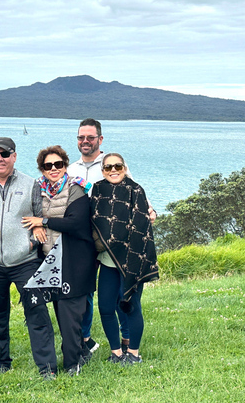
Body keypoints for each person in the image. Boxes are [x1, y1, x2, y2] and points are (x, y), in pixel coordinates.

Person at [0, 137, 58, 379]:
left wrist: (30, 242)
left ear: (14, 156)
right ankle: (0, 362)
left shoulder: (31, 184)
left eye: (4, 154)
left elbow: (41, 219)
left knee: (37, 313)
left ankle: (47, 367)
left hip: (25, 263)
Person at [66, 118, 157, 357]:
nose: (85, 141)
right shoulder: (73, 171)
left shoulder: (126, 181)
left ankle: (130, 347)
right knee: (96, 299)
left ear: (100, 139)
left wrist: (151, 211)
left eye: (90, 137)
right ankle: (97, 343)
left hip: (126, 254)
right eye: (81, 137)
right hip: (94, 248)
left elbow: (140, 204)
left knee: (126, 302)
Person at [21, 146, 96, 376]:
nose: (53, 169)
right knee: (59, 311)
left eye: (58, 164)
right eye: (48, 165)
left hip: (76, 261)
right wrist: (35, 224)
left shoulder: (76, 189)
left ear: (65, 165)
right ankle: (82, 352)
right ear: (42, 169)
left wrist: (42, 220)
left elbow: (76, 223)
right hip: (50, 262)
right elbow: (25, 215)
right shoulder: (39, 191)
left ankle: (73, 364)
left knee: (70, 316)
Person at [90, 153, 159, 365]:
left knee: (131, 306)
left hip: (131, 261)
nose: (113, 170)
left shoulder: (136, 190)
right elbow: (94, 221)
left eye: (117, 166)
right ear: (102, 170)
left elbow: (141, 228)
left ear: (124, 168)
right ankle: (117, 352)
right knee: (105, 307)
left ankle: (134, 353)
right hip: (108, 261)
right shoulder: (98, 189)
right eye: (108, 167)